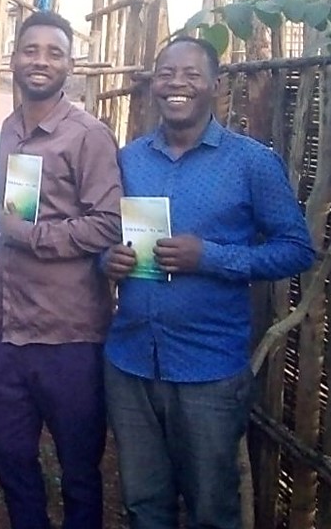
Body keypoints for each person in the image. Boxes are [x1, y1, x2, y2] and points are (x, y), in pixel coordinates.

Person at [102, 37, 315, 529]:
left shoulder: (251, 163)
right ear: (154, 84)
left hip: (208, 368)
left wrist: (210, 257)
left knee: (211, 507)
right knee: (143, 503)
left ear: (216, 86)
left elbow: (297, 249)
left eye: (191, 74)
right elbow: (104, 234)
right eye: (167, 73)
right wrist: (106, 260)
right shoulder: (128, 160)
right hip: (131, 360)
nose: (177, 83)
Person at [0, 10, 122, 529]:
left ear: (70, 65)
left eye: (53, 53)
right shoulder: (9, 131)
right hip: (7, 333)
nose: (40, 61)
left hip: (69, 337)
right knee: (13, 464)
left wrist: (34, 237)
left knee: (79, 468)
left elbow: (108, 224)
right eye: (31, 50)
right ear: (14, 58)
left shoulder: (87, 135)